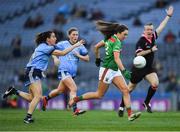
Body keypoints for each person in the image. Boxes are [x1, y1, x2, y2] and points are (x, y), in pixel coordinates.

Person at [3, 30, 85, 124]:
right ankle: (27, 118)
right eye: (53, 37)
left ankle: (14, 91)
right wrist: (75, 45)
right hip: (33, 71)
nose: (55, 38)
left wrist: (44, 65)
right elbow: (62, 53)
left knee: (31, 98)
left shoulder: (43, 47)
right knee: (38, 96)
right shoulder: (46, 47)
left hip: (34, 71)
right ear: (48, 39)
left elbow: (36, 57)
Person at [68, 20, 141, 121]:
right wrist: (124, 71)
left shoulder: (108, 38)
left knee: (125, 90)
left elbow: (96, 47)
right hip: (107, 70)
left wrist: (98, 58)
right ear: (118, 33)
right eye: (124, 34)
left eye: (127, 35)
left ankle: (130, 115)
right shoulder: (117, 42)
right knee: (99, 95)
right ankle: (75, 99)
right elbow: (117, 59)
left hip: (114, 70)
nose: (126, 37)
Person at [118, 6, 174, 116]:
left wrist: (168, 16)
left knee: (155, 83)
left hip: (148, 68)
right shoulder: (141, 41)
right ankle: (121, 106)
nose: (150, 31)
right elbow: (138, 54)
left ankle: (146, 102)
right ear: (144, 30)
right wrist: (151, 50)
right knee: (130, 88)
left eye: (151, 29)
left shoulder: (153, 36)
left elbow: (161, 27)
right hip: (138, 68)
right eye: (148, 29)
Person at [42, 27, 89, 116]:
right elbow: (51, 50)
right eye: (73, 34)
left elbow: (87, 58)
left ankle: (46, 98)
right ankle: (75, 110)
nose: (75, 36)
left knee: (59, 91)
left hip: (72, 74)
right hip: (64, 71)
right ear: (69, 36)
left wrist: (79, 55)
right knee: (74, 89)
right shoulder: (63, 44)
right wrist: (55, 58)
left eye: (77, 34)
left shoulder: (80, 46)